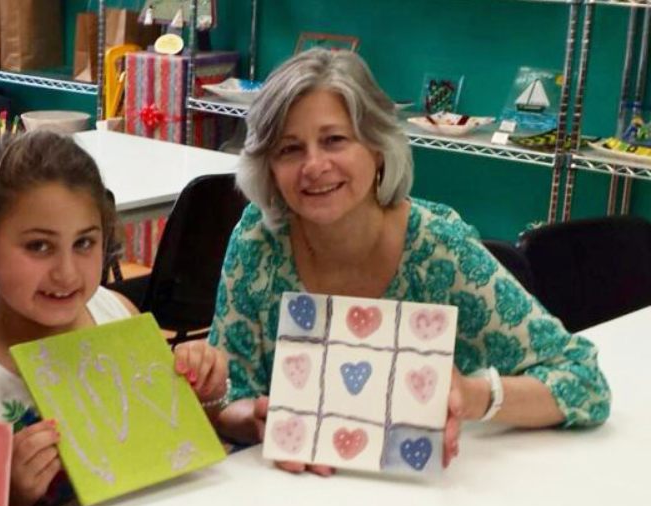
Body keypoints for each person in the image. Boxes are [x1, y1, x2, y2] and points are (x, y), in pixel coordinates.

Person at [208, 49, 611, 474]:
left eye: (334, 140)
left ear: (378, 148)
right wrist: (257, 421)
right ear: (268, 168)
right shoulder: (259, 238)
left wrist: (471, 395)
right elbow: (229, 394)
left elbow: (584, 381)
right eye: (289, 149)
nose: (314, 166)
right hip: (289, 500)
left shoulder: (437, 247)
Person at [0, 131, 228, 506]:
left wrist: (206, 395)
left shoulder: (119, 315)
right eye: (39, 247)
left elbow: (177, 453)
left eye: (84, 243)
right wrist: (9, 499)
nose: (65, 273)